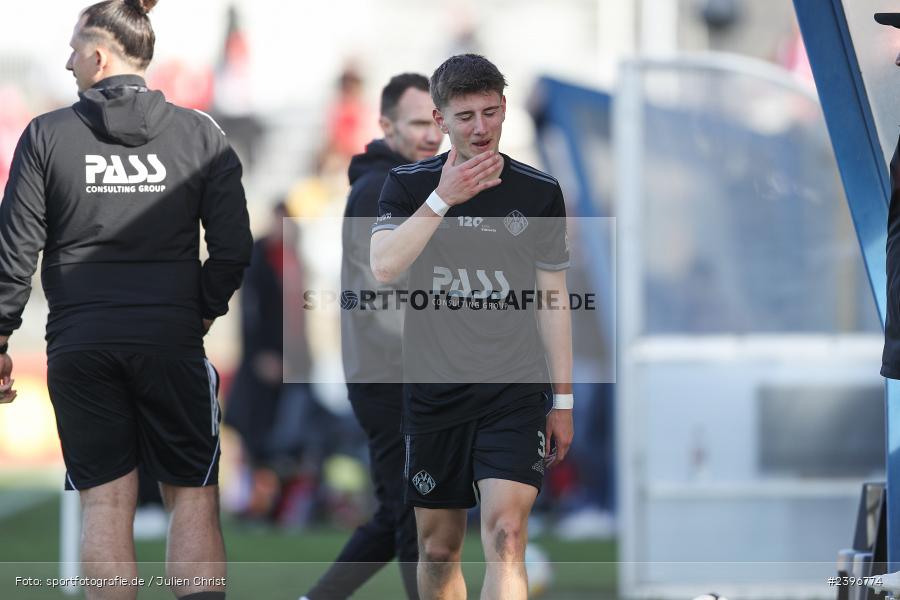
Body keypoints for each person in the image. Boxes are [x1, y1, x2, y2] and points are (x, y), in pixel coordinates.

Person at [0, 1, 252, 599]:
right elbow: (234, 249)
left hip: (80, 344)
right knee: (192, 495)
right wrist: (196, 313)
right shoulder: (200, 133)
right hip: (170, 340)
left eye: (72, 50)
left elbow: (14, 252)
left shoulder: (46, 134)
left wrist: (1, 335)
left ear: (97, 54)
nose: (66, 63)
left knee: (105, 501)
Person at [370, 54, 574, 600]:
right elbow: (385, 267)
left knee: (507, 534)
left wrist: (563, 401)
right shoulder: (408, 186)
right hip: (435, 394)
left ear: (506, 110)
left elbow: (554, 300)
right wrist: (445, 198)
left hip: (514, 392)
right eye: (465, 116)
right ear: (439, 121)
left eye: (491, 112)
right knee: (438, 550)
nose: (480, 128)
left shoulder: (539, 193)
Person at [300, 72, 442, 600]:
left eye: (437, 122)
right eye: (417, 123)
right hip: (391, 377)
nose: (432, 134)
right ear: (385, 125)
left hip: (401, 374)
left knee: (402, 512)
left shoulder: (420, 184)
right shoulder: (378, 191)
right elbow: (381, 300)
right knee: (411, 514)